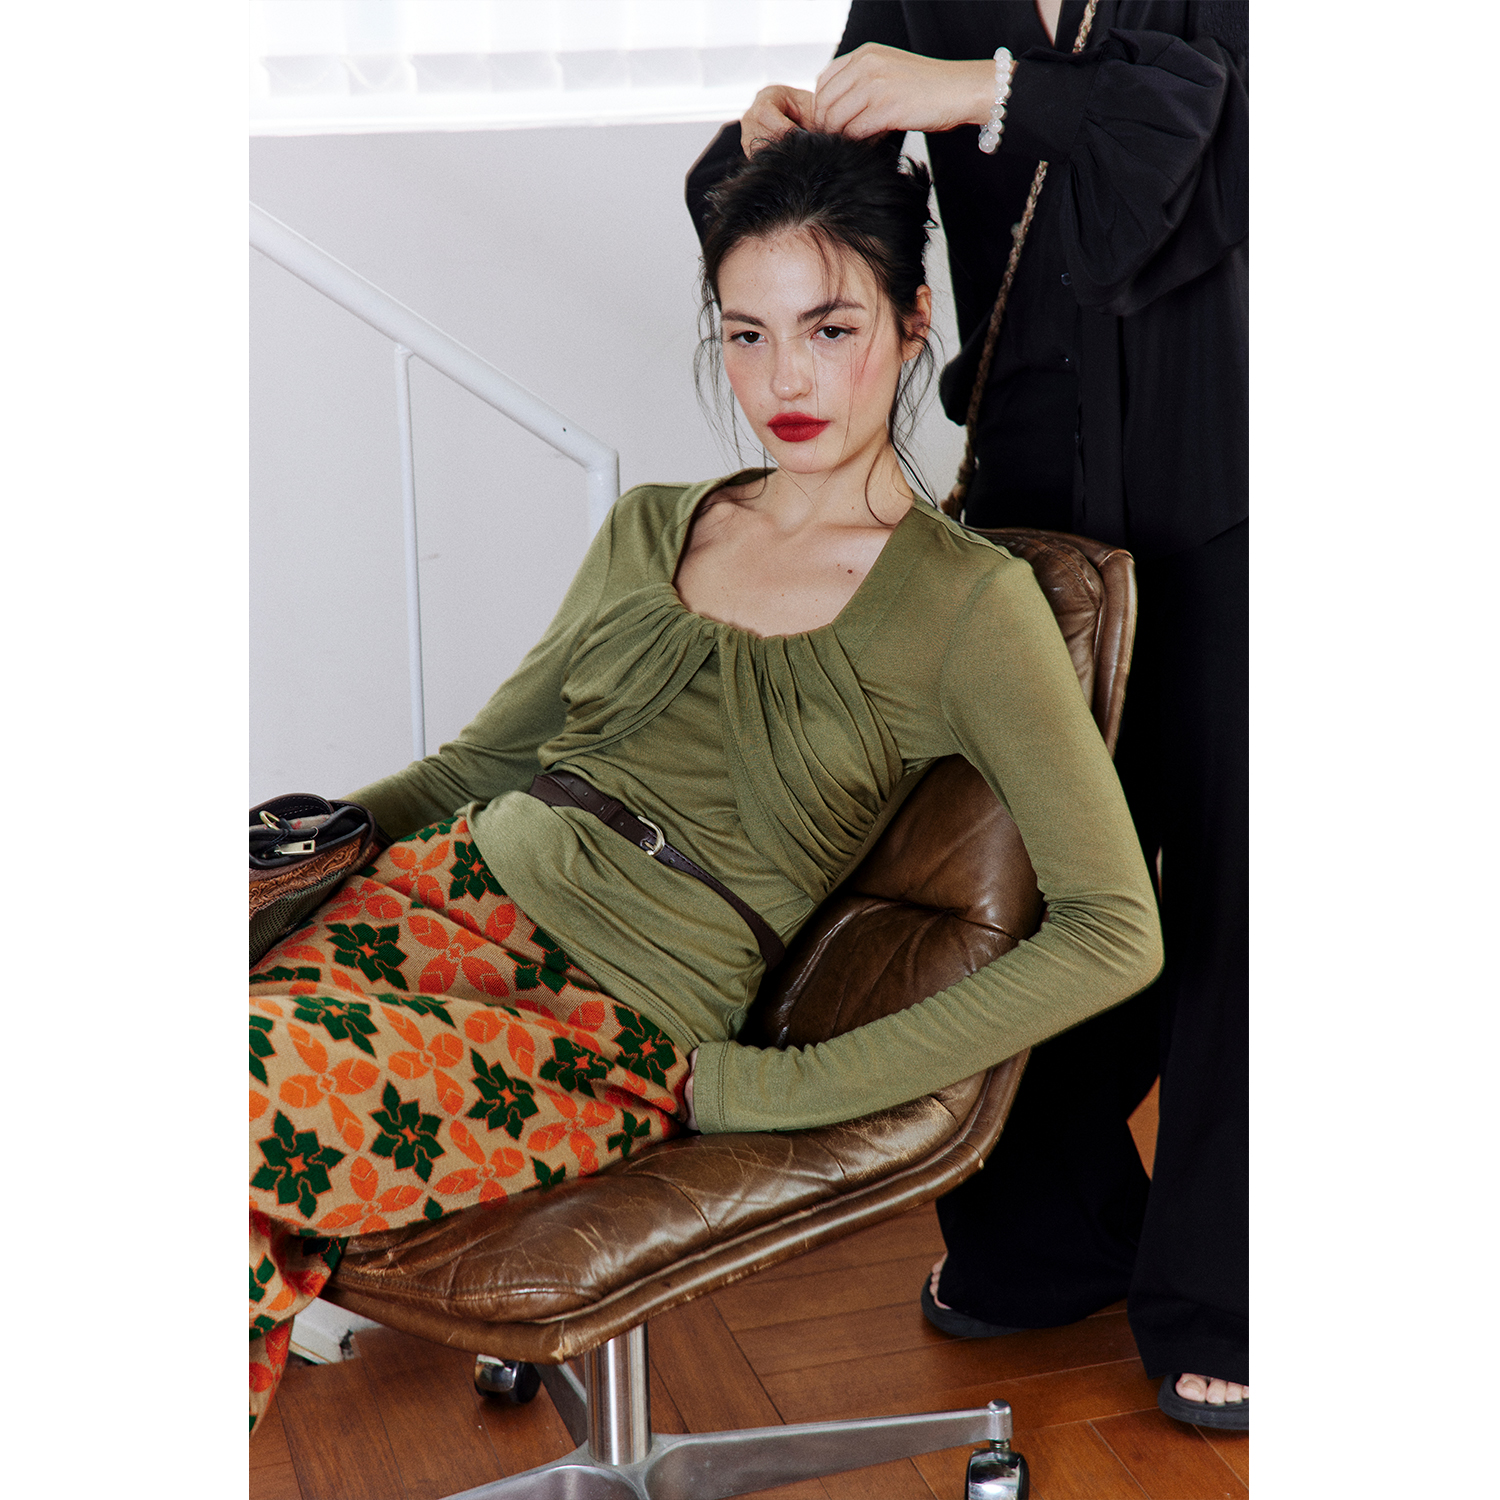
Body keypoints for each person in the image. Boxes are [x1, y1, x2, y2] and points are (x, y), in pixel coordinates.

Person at [247, 130, 1162, 1433]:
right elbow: (477, 767)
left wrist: (782, 1091)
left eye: (830, 329)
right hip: (428, 901)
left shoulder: (971, 605)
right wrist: (286, 857)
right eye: (747, 335)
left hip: (601, 1025)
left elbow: (1114, 930)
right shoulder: (652, 525)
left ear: (913, 323)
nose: (784, 378)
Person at [683, 0, 1248, 1428]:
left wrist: (986, 89)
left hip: (1232, 481)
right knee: (1012, 879)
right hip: (1032, 491)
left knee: (1240, 897)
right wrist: (757, 155)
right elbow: (848, 222)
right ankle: (1044, 1242)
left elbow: (1222, 151)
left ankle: (1229, 1293)